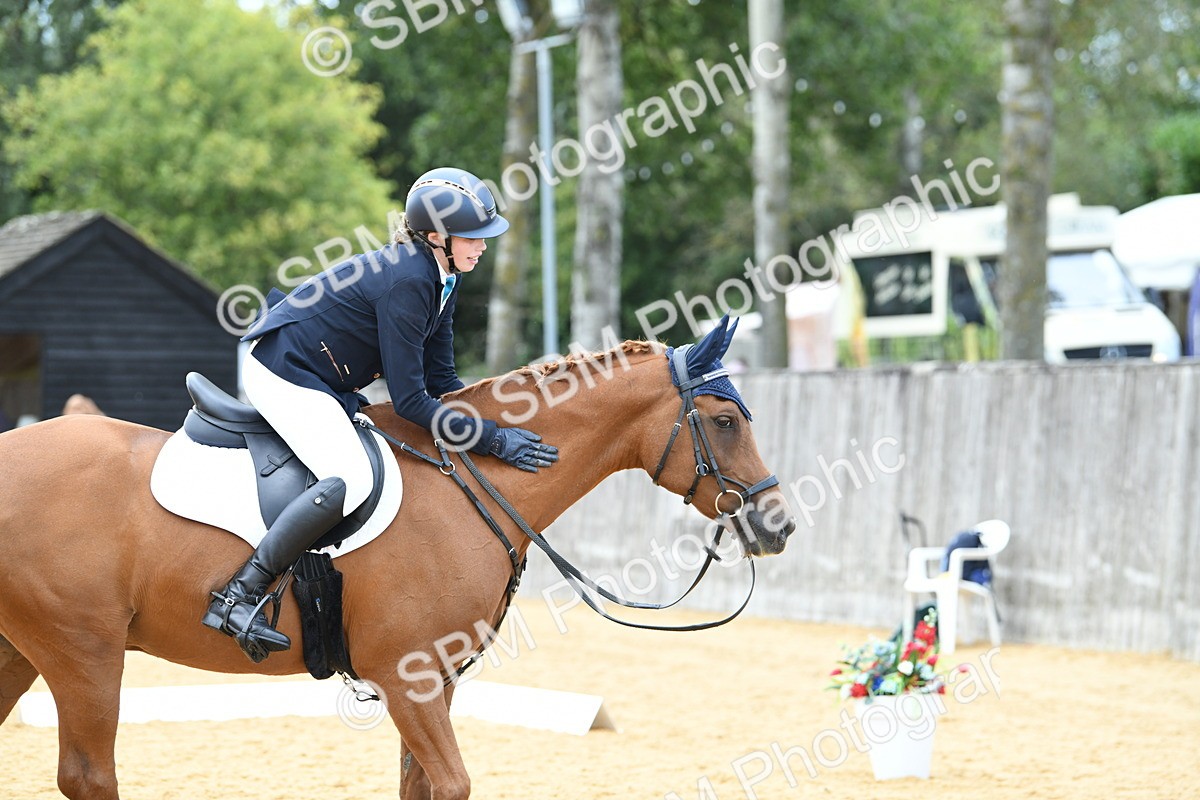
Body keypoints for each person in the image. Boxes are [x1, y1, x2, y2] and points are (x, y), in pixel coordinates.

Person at [202, 167, 560, 662]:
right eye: (473, 237)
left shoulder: (442, 277)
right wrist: (494, 440)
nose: (483, 247)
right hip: (282, 370)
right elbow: (412, 403)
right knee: (348, 476)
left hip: (323, 374)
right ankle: (240, 593)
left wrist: (497, 418)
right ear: (437, 236)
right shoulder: (409, 282)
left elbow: (442, 383)